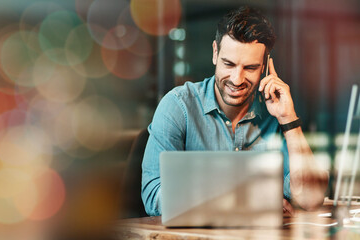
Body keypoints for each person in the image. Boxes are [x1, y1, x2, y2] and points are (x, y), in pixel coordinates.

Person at [141, 6, 329, 216]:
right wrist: (249, 200)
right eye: (228, 64)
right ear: (215, 52)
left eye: (250, 68)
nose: (236, 79)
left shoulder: (276, 115)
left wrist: (289, 120)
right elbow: (154, 197)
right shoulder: (178, 106)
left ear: (265, 66)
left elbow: (310, 198)